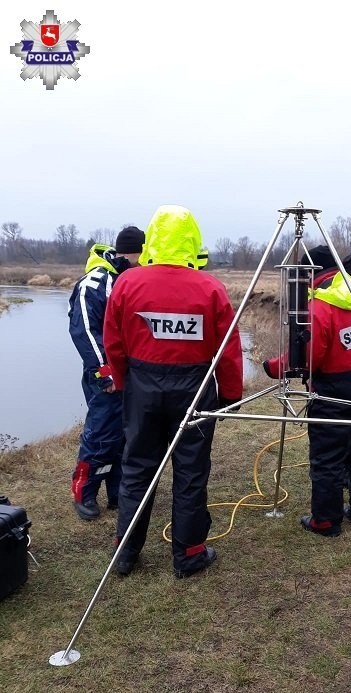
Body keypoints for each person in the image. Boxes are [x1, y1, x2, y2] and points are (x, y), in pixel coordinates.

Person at [103, 205, 243, 578]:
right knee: (191, 472)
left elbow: (113, 342)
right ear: (193, 241)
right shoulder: (210, 287)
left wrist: (122, 382)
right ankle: (189, 554)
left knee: (137, 469)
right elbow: (228, 349)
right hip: (193, 389)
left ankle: (125, 552)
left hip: (142, 388)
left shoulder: (127, 283)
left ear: (153, 239)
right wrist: (230, 394)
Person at [264, 245, 351, 537]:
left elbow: (307, 358)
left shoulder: (318, 309)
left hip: (334, 393)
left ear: (311, 275)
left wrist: (272, 367)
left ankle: (326, 520)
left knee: (327, 458)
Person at [68, 226, 145, 520]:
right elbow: (84, 332)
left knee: (126, 436)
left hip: (133, 373)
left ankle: (117, 492)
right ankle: (84, 492)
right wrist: (105, 371)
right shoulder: (95, 283)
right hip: (105, 375)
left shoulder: (134, 279)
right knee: (101, 433)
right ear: (134, 250)